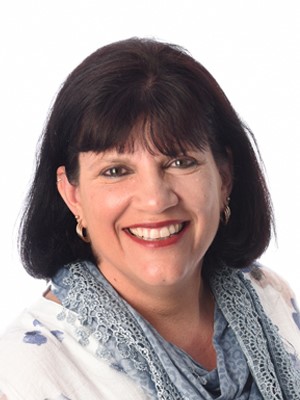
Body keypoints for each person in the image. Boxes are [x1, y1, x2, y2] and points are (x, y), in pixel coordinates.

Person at [0, 37, 299, 400]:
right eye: (116, 170)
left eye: (180, 162)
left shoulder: (270, 296)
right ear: (72, 194)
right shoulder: (22, 377)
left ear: (224, 177)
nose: (156, 200)